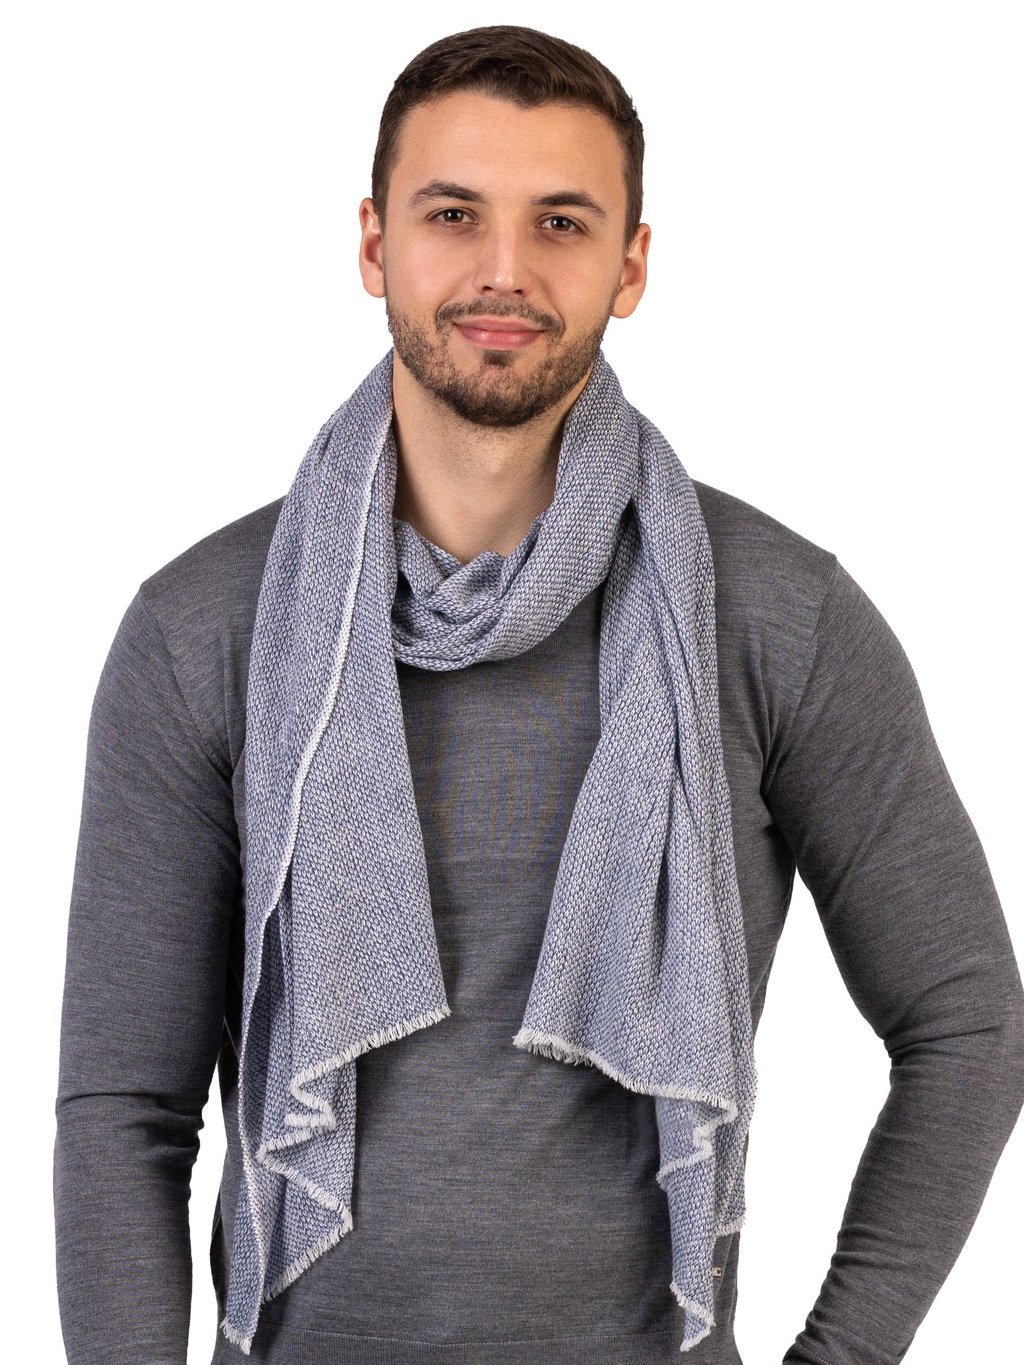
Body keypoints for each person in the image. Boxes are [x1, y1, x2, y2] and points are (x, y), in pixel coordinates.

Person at [53, 23, 1024, 1365]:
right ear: (373, 244)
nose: (503, 269)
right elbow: (125, 1108)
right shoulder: (205, 626)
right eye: (452, 214)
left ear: (632, 265)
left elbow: (970, 1020)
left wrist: (840, 1355)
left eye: (561, 222)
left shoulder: (777, 615)